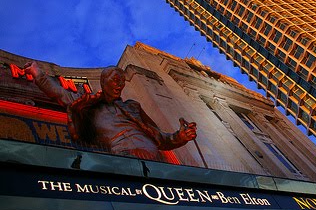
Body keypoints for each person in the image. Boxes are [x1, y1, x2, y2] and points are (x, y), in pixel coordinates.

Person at [23, 61, 197, 161]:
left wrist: (180, 137)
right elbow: (59, 93)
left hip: (153, 154)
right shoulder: (90, 106)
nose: (119, 84)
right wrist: (37, 73)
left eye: (122, 81)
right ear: (104, 81)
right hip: (121, 155)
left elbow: (160, 137)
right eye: (115, 80)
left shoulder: (133, 106)